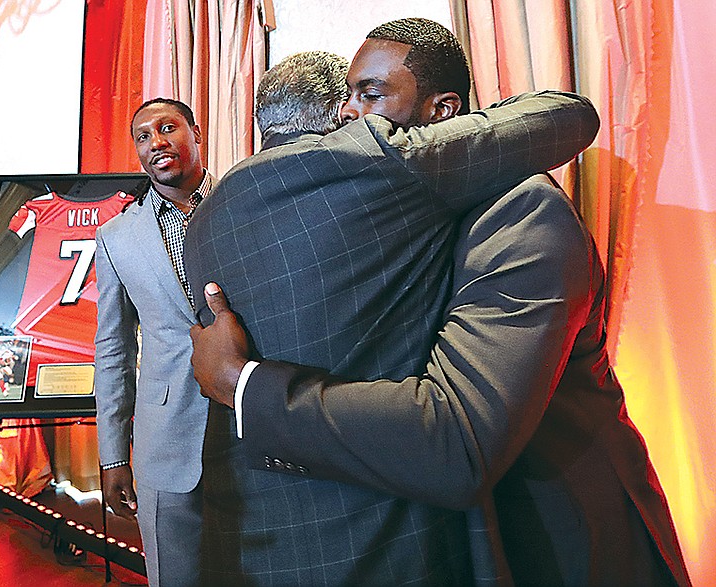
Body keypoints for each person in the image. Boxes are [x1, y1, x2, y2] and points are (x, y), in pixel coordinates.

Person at [188, 19, 691, 586]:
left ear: (443, 112)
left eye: (370, 95)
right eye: (345, 97)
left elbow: (456, 441)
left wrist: (243, 386)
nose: (347, 116)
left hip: (567, 539)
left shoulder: (523, 211)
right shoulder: (400, 215)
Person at [94, 98, 212, 586]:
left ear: (196, 132)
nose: (156, 142)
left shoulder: (247, 200)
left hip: (261, 424)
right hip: (167, 439)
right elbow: (114, 351)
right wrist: (113, 454)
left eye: (167, 128)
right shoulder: (116, 238)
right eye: (143, 136)